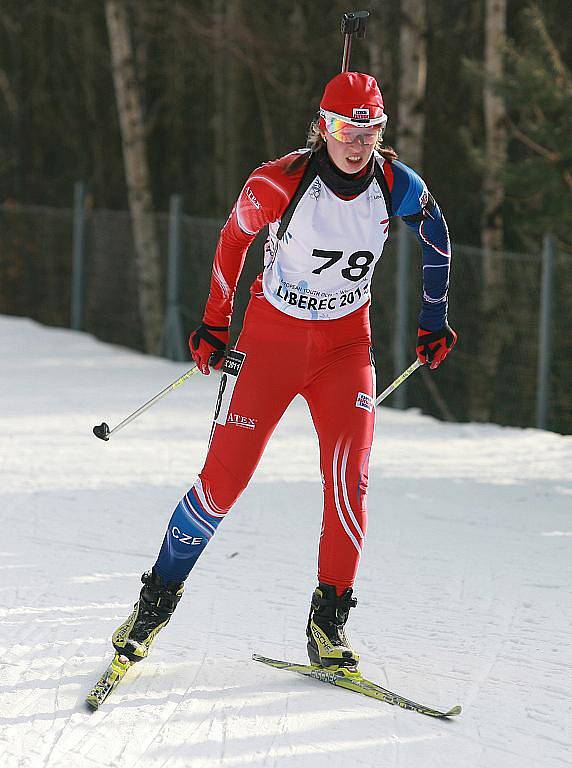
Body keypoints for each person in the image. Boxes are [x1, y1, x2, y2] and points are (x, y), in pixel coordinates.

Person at [111, 72, 457, 670]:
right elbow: (232, 239)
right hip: (269, 342)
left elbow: (437, 233)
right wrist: (215, 323)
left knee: (349, 482)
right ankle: (154, 605)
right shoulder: (279, 182)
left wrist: (433, 318)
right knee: (222, 483)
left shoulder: (395, 183)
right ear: (323, 127)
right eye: (347, 129)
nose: (358, 142)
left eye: (370, 129)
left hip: (344, 349)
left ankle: (329, 625)